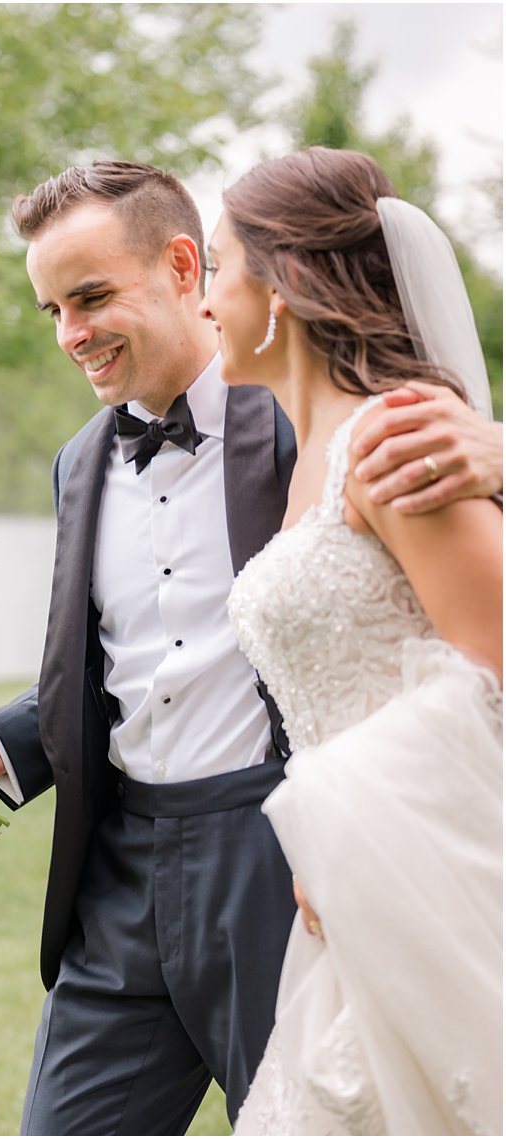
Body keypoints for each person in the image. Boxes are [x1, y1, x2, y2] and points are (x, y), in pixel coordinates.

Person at [0, 160, 501, 1133]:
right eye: (49, 308)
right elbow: (115, 667)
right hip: (117, 872)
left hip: (278, 859)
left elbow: (456, 595)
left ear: (183, 268)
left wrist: (495, 444)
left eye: (88, 297)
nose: (67, 334)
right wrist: (0, 746)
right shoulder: (76, 461)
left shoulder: (312, 414)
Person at [200, 147, 501, 1134]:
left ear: (276, 284)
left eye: (213, 268)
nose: (204, 302)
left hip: (425, 881)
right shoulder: (301, 464)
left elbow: (492, 669)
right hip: (345, 894)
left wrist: (350, 829)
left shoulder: (391, 439)